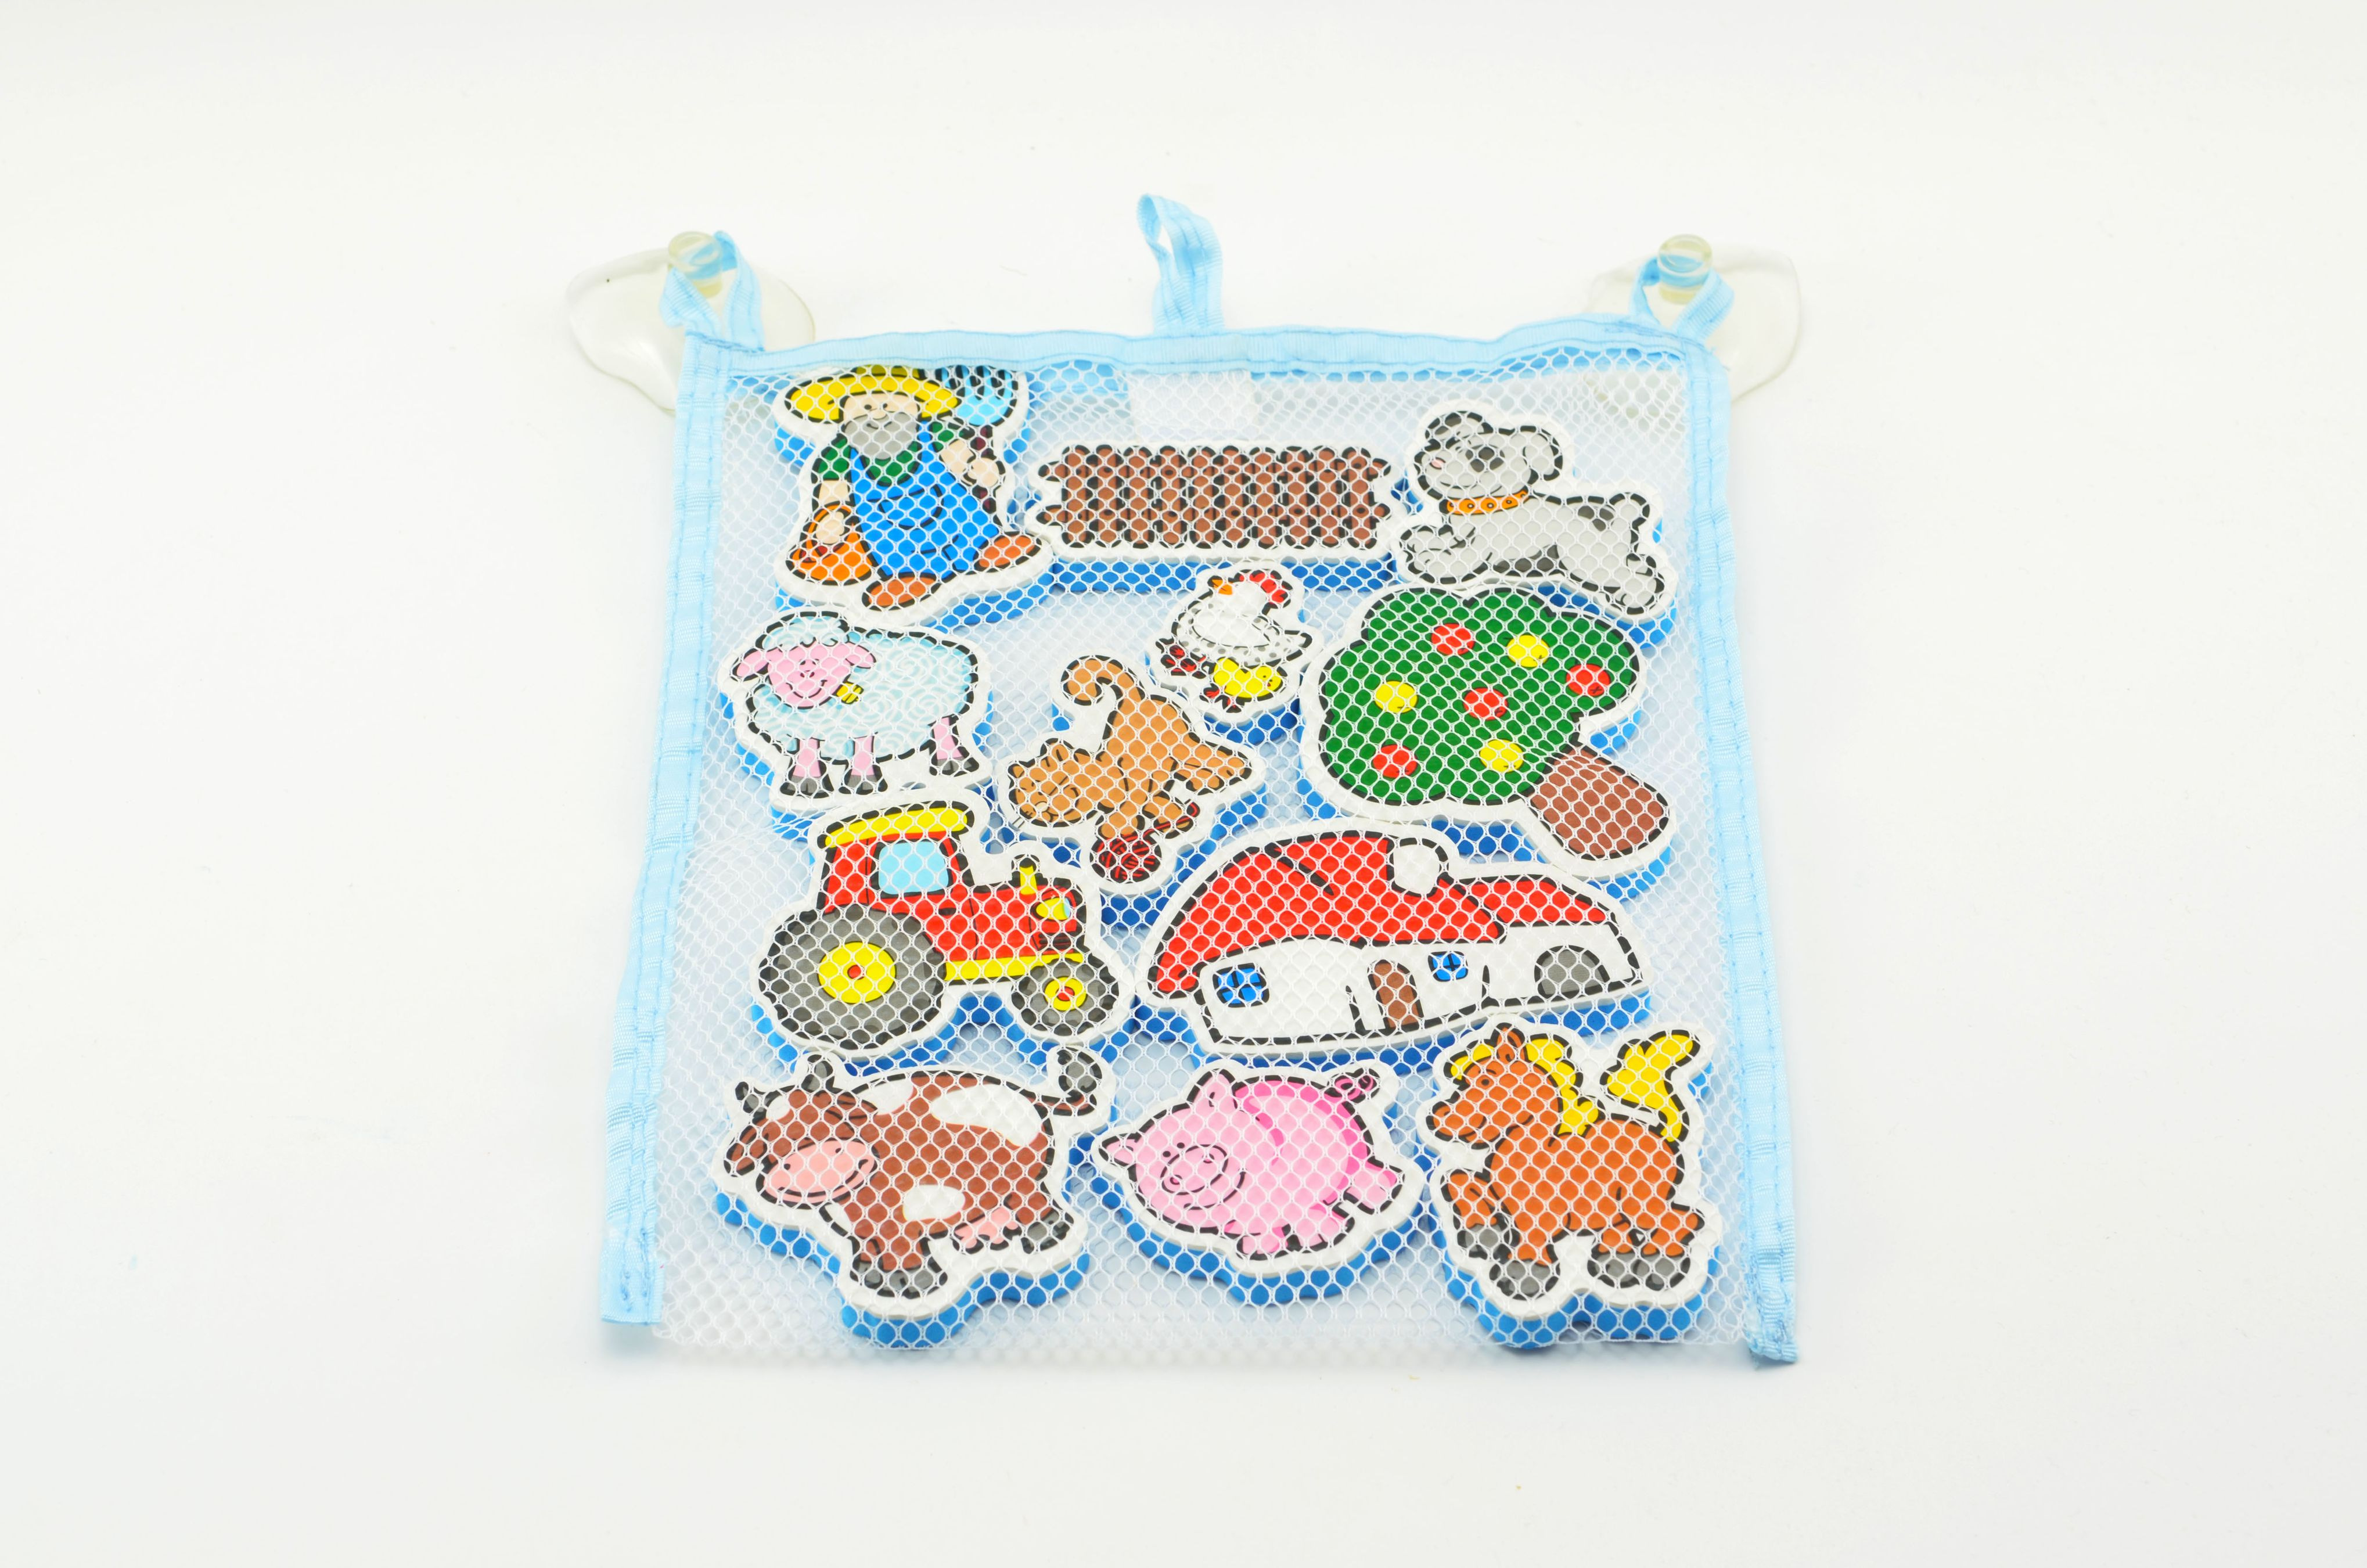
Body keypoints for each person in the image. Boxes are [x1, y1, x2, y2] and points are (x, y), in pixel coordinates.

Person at [782, 365, 1040, 610]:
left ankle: (986, 547)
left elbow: (958, 455)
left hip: (955, 514)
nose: (878, 414)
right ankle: (908, 577)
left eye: (888, 405)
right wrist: (832, 513)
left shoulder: (936, 430)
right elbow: (833, 487)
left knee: (969, 527)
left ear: (917, 406)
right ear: (842, 413)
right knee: (893, 550)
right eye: (866, 407)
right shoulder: (840, 452)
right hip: (889, 533)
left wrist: (975, 467)